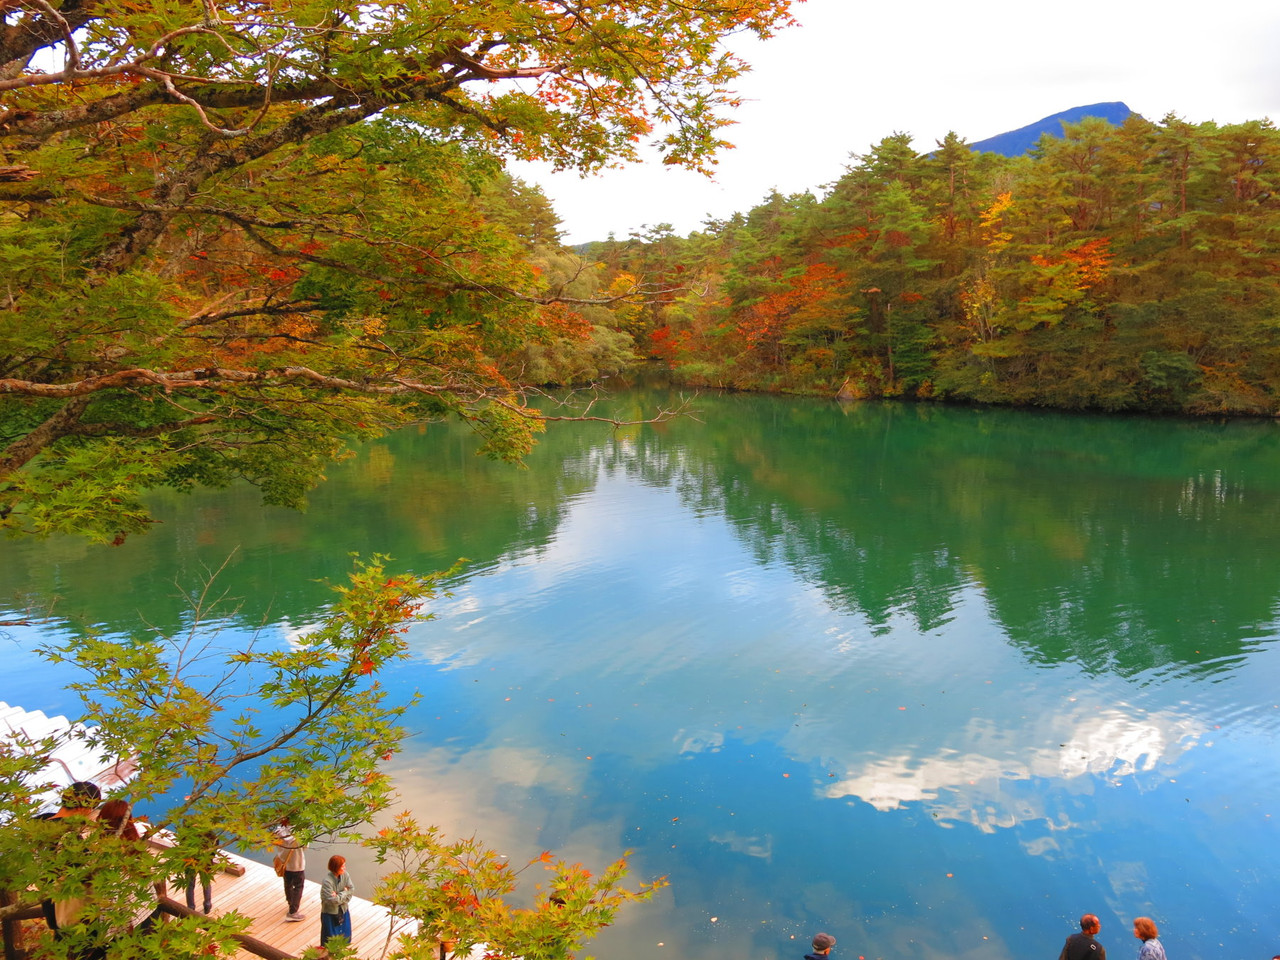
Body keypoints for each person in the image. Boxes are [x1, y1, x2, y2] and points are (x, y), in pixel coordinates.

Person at [273, 816, 307, 921]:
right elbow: (305, 847)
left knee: (288, 884)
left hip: (284, 863)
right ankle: (293, 912)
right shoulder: (300, 833)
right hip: (297, 864)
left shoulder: (278, 831)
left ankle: (290, 902)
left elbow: (275, 844)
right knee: (298, 886)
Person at [319, 854, 354, 947]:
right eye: (342, 866)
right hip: (330, 913)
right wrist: (344, 892)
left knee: (345, 937)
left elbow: (351, 890)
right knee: (330, 940)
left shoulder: (345, 875)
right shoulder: (327, 882)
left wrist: (339, 895)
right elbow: (332, 900)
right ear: (336, 867)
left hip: (343, 910)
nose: (344, 868)